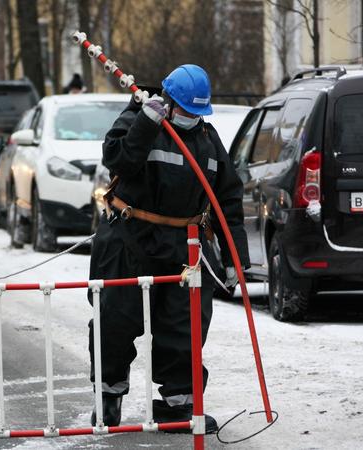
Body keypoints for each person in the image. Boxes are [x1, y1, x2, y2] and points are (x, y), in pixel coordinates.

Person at [88, 64, 249, 431]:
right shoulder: (137, 117)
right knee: (115, 319)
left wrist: (234, 259)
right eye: (187, 111)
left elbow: (228, 200)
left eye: (198, 113)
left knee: (185, 324)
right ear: (169, 101)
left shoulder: (207, 139)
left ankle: (179, 404)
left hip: (185, 244)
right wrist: (146, 123)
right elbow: (118, 160)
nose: (192, 118)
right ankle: (108, 398)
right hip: (129, 236)